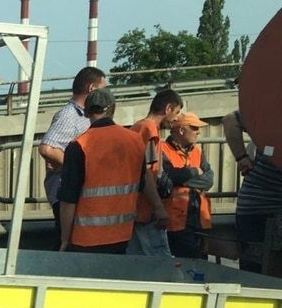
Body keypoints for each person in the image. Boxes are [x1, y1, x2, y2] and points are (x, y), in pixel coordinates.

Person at [58, 88, 166, 254]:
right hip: (122, 235)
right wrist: (159, 207)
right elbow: (144, 180)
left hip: (86, 239)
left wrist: (65, 239)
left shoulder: (79, 146)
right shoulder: (134, 140)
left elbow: (68, 199)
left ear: (86, 113)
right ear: (113, 109)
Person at [38, 66, 106, 239]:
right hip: (66, 194)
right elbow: (47, 148)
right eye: (102, 89)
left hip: (73, 193)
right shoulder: (70, 116)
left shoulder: (83, 116)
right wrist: (76, 168)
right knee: (71, 243)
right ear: (91, 88)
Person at [223, 108, 282, 272]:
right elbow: (230, 119)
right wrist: (241, 157)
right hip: (258, 211)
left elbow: (230, 120)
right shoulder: (272, 111)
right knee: (256, 272)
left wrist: (242, 157)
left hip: (254, 208)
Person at [127, 89, 184, 256]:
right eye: (177, 112)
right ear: (167, 108)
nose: (176, 118)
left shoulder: (138, 127)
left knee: (136, 263)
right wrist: (159, 207)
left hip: (135, 209)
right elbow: (145, 173)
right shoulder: (149, 130)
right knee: (161, 262)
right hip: (145, 209)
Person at [161, 112, 214, 259]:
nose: (198, 132)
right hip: (176, 221)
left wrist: (182, 179)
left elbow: (209, 179)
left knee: (200, 263)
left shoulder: (197, 152)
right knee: (186, 264)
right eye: (194, 128)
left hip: (199, 219)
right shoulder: (163, 150)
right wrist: (194, 172)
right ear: (182, 130)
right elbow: (167, 178)